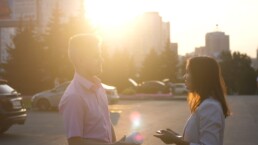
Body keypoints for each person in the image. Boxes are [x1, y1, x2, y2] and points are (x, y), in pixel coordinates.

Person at [59, 33, 137, 145]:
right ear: (80, 60)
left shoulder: (99, 87)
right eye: (96, 56)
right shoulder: (74, 97)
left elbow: (107, 123)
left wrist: (117, 143)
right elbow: (75, 142)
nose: (102, 60)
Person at [154, 56, 230, 145]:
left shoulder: (210, 107)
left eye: (188, 72)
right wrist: (176, 137)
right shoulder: (206, 104)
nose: (184, 76)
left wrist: (176, 140)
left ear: (200, 76)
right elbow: (196, 140)